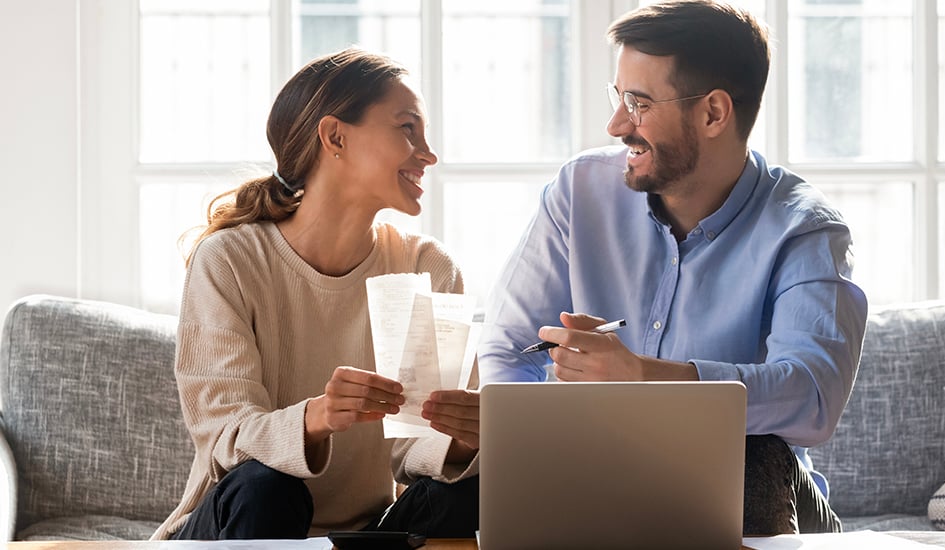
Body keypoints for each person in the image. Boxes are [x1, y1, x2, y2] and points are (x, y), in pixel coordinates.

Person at [477, 0, 868, 535]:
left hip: (759, 491)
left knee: (757, 462)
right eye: (619, 97)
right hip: (599, 475)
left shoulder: (803, 229)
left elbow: (812, 398)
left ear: (713, 113)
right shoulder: (579, 192)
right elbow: (507, 350)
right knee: (447, 493)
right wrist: (538, 447)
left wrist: (646, 380)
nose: (616, 124)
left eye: (638, 103)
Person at [152, 47, 480, 541]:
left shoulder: (426, 267)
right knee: (269, 487)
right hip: (238, 526)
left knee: (471, 490)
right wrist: (318, 417)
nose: (428, 153)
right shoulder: (230, 259)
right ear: (335, 137)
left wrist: (464, 440)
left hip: (363, 535)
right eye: (407, 128)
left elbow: (417, 450)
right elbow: (225, 439)